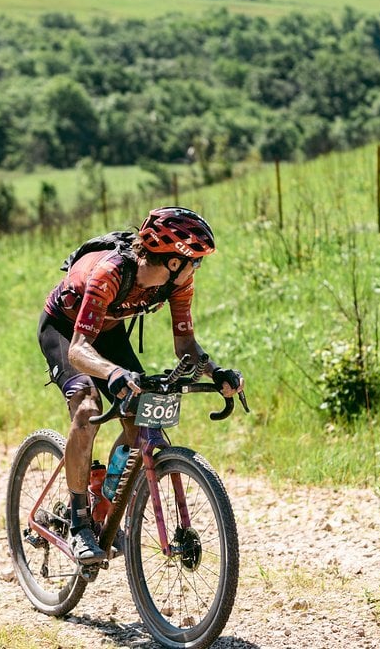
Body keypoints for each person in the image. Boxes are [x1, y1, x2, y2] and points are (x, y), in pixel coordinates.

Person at [37, 206, 245, 564]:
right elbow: (78, 351)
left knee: (140, 417)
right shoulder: (109, 274)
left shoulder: (178, 282)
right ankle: (79, 522)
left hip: (109, 331)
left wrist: (216, 372)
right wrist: (114, 374)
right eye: (194, 261)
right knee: (87, 409)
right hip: (66, 330)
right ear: (172, 261)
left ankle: (105, 495)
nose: (196, 269)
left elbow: (187, 347)